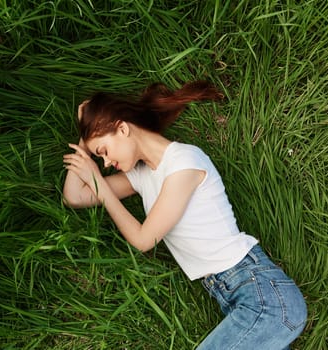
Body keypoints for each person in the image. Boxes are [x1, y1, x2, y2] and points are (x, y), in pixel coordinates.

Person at [62, 81, 307, 349]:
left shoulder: (184, 162)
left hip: (264, 296)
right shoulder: (142, 176)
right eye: (100, 158)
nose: (106, 163)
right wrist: (85, 144)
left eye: (104, 152)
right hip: (239, 297)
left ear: (122, 128)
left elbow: (144, 240)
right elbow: (75, 196)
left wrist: (96, 175)